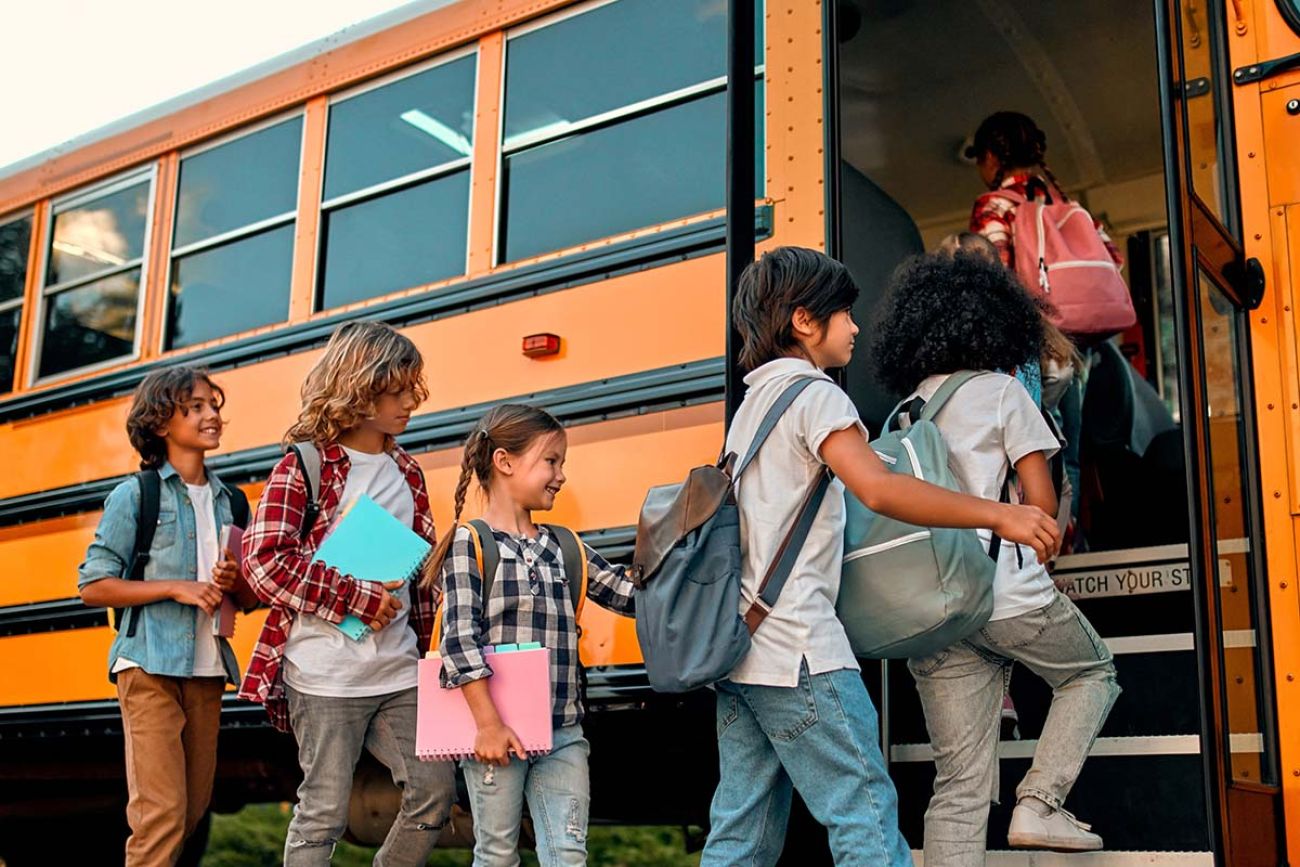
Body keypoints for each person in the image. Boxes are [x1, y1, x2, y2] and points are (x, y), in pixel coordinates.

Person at [699, 246, 1060, 867]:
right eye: (845, 314)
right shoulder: (816, 396)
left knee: (741, 838)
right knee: (864, 817)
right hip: (803, 655)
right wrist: (1002, 513)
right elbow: (880, 487)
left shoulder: (750, 408)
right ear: (805, 322)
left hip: (742, 654)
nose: (856, 328)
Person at [873, 251, 1121, 863]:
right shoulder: (1003, 393)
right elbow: (1040, 512)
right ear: (997, 321)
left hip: (932, 615)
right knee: (1091, 673)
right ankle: (1039, 802)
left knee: (957, 788)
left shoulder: (901, 413)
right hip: (1005, 594)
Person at [238, 321, 455, 866]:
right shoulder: (305, 467)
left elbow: (418, 568)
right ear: (359, 388)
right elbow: (264, 562)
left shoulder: (407, 471)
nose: (410, 401)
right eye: (397, 390)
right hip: (324, 675)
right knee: (323, 813)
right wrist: (357, 599)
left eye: (413, 388)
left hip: (398, 670)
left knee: (435, 792)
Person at [429, 403, 637, 867]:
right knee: (498, 854)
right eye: (551, 461)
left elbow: (629, 595)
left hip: (563, 730)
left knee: (568, 853)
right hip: (496, 733)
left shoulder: (564, 545)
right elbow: (459, 640)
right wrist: (487, 724)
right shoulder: (472, 543)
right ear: (505, 462)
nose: (561, 475)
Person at [78, 366, 257, 866]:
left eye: (213, 405)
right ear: (161, 422)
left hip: (207, 671)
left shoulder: (233, 503)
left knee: (192, 810)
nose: (211, 416)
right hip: (149, 666)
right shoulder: (137, 495)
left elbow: (246, 597)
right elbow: (93, 585)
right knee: (162, 812)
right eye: (195, 407)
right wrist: (176, 587)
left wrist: (232, 583)